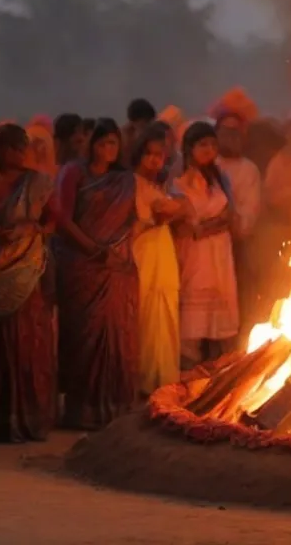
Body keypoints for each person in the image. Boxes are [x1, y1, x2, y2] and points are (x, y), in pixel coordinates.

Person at [0, 124, 60, 442]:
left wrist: (36, 233)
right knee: (0, 344)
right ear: (1, 148)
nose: (21, 155)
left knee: (30, 341)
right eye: (15, 148)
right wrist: (3, 235)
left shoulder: (36, 182)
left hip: (29, 267)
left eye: (23, 149)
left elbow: (53, 219)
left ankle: (31, 418)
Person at [54, 119, 139, 430]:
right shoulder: (74, 172)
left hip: (115, 268)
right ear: (91, 145)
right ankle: (81, 411)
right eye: (102, 143)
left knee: (116, 336)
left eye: (113, 143)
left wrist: (114, 253)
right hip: (80, 267)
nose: (108, 149)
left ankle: (112, 410)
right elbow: (62, 218)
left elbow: (132, 221)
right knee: (82, 338)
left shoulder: (124, 180)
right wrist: (93, 248)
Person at [174, 122, 240, 369]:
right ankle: (188, 383)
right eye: (203, 144)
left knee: (222, 320)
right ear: (190, 148)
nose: (209, 149)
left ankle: (225, 378)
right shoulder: (179, 182)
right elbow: (187, 228)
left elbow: (230, 216)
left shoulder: (220, 178)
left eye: (213, 144)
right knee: (192, 326)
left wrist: (207, 226)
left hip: (220, 255)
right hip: (195, 256)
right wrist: (213, 224)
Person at [131, 124, 187, 394]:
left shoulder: (159, 185)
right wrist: (155, 218)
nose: (154, 160)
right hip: (143, 253)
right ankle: (143, 382)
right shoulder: (129, 183)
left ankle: (162, 382)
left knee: (164, 311)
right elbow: (131, 225)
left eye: (159, 155)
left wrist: (171, 212)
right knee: (146, 314)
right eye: (149, 154)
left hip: (162, 253)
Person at [215, 111, 264, 342]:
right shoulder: (207, 166)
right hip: (204, 252)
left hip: (237, 251)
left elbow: (249, 215)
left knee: (235, 314)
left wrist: (231, 222)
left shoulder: (249, 169)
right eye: (225, 132)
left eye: (235, 132)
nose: (230, 138)